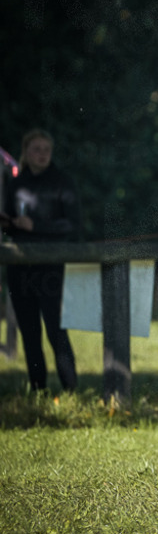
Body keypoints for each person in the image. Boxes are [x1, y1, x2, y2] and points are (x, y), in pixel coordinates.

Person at [0, 129, 81, 392]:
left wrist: (36, 225)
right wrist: (11, 224)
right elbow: (11, 225)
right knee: (29, 333)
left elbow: (72, 224)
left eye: (46, 149)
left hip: (51, 269)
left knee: (56, 332)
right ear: (26, 152)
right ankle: (38, 389)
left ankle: (71, 389)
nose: (42, 154)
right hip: (21, 269)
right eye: (37, 149)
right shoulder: (15, 185)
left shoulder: (62, 182)